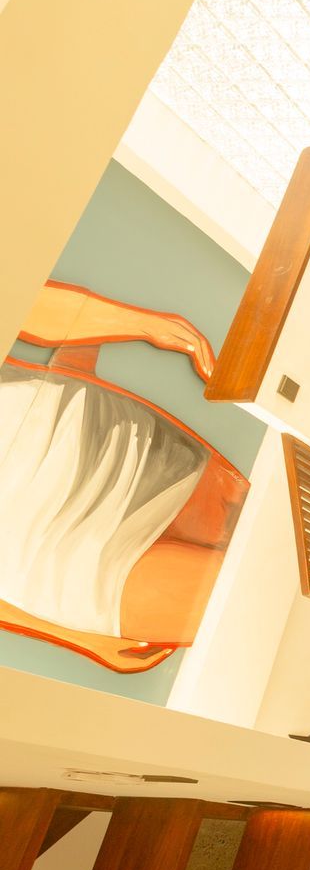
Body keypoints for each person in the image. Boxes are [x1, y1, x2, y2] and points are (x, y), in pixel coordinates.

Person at [0, 280, 247, 673]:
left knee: (307, 530)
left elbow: (20, 299)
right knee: (253, 599)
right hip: (51, 560)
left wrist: (145, 325)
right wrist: (80, 640)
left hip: (94, 435)